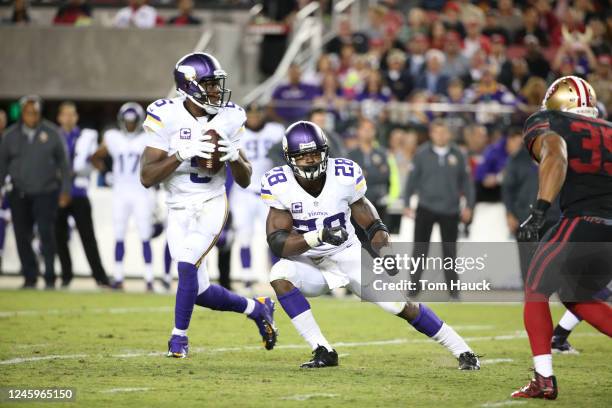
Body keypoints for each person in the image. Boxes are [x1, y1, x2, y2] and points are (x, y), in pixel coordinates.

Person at [261, 120, 480, 369]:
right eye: (302, 156)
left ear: (325, 151)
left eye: (314, 154)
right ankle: (322, 349)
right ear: (289, 158)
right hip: (310, 262)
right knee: (279, 274)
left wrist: (385, 249)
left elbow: (371, 221)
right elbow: (278, 243)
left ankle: (463, 350)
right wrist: (317, 237)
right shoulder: (279, 183)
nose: (310, 160)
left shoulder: (343, 174)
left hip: (348, 255)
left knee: (398, 304)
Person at [139, 52, 277, 358]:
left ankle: (179, 339)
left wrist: (234, 158)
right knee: (198, 290)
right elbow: (147, 177)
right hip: (177, 207)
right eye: (209, 84)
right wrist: (179, 154)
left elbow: (244, 178)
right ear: (188, 86)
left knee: (187, 264)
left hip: (211, 202)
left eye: (218, 84)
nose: (216, 91)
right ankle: (258, 308)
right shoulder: (165, 114)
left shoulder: (231, 116)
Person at [511, 76, 612, 400]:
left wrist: (539, 211)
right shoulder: (609, 128)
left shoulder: (549, 122)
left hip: (583, 221)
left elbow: (555, 152)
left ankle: (544, 379)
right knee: (575, 293)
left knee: (535, 288)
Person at [0, 96, 71, 289]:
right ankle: (30, 276)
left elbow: (64, 165)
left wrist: (65, 190)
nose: (32, 116)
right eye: (29, 112)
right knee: (22, 235)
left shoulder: (52, 133)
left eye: (35, 113)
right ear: (22, 113)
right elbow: (2, 165)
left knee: (46, 234)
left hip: (46, 191)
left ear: (40, 113)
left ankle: (49, 276)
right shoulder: (10, 136)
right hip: (19, 192)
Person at [403, 119, 474, 298]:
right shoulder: (421, 154)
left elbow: (467, 182)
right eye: (437, 132)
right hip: (425, 207)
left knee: (450, 251)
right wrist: (406, 203)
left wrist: (469, 206)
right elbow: (411, 181)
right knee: (419, 249)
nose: (441, 136)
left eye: (444, 132)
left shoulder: (458, 154)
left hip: (450, 209)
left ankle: (453, 291)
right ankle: (413, 287)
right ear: (431, 134)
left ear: (449, 134)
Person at [91, 103, 157, 291]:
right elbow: (95, 157)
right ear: (121, 121)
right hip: (120, 191)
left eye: (133, 122)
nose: (129, 125)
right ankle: (118, 277)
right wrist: (106, 174)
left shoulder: (147, 138)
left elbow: (159, 158)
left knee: (145, 234)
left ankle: (149, 278)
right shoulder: (112, 137)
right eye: (127, 122)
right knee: (119, 234)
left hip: (140, 191)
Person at [55, 101, 110, 288]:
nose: (69, 118)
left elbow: (93, 164)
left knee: (88, 237)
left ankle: (100, 277)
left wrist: (97, 156)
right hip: (59, 193)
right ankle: (66, 276)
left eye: (72, 114)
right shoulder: (54, 136)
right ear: (60, 117)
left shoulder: (86, 137)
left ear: (76, 117)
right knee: (60, 238)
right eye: (65, 114)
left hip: (78, 193)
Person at [230, 103, 285, 290]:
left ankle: (278, 275)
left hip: (269, 193)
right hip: (244, 192)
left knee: (273, 236)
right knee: (244, 235)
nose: (254, 118)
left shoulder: (276, 131)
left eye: (257, 114)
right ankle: (246, 278)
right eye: (251, 115)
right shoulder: (238, 132)